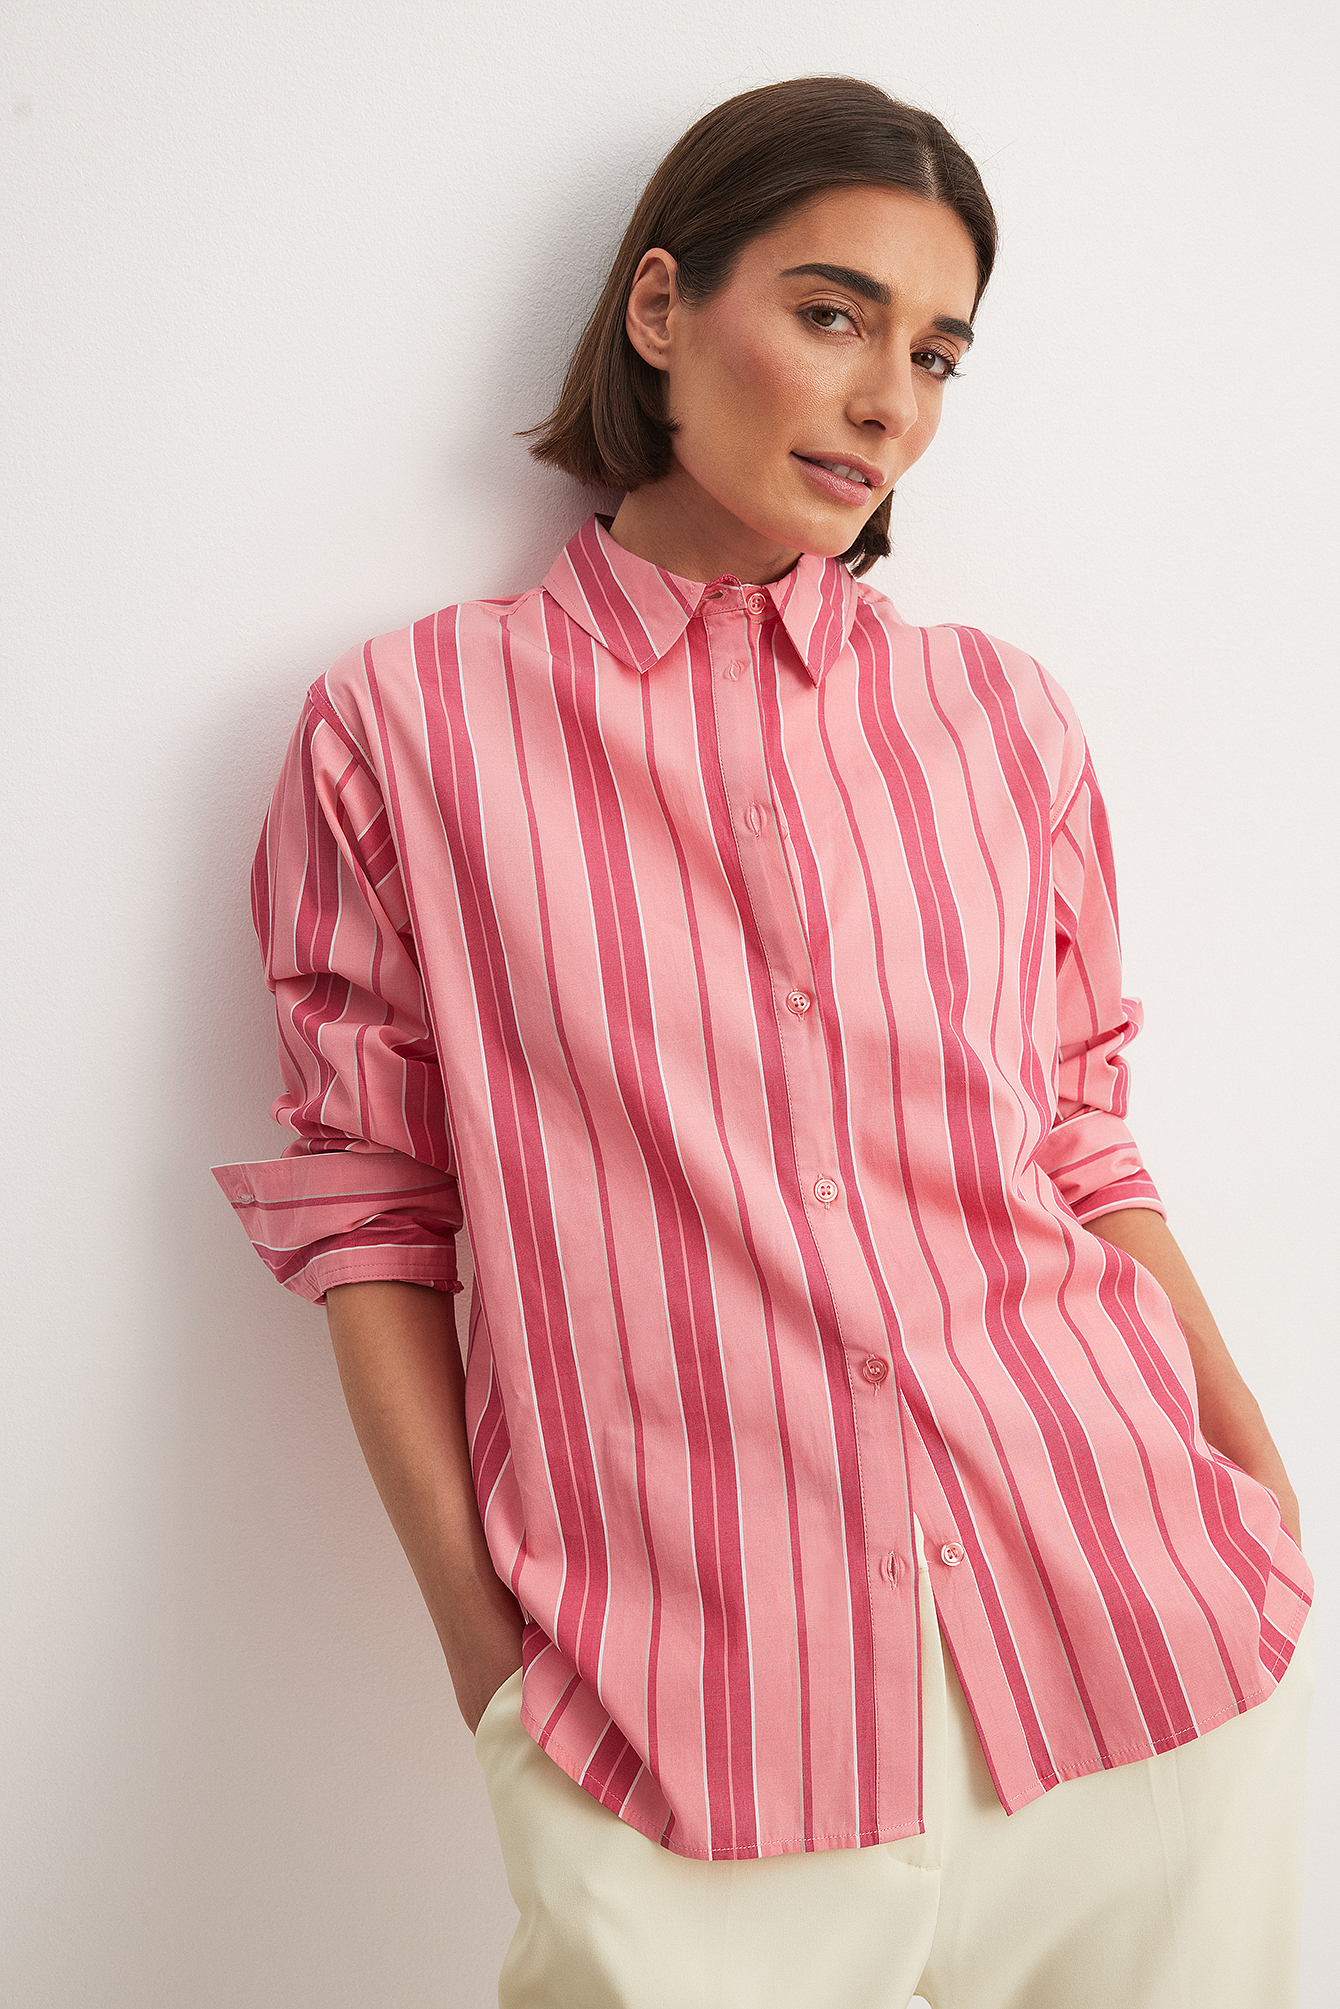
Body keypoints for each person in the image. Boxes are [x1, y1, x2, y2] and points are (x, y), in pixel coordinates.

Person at [214, 75, 1314, 2009]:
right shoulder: (410, 728)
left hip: (1135, 1656)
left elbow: (1078, 1132)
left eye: (938, 353)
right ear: (661, 308)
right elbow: (373, 1212)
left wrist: (1254, 1483)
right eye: (831, 314)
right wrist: (497, 1677)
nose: (890, 402)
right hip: (687, 1730)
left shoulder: (1002, 721)